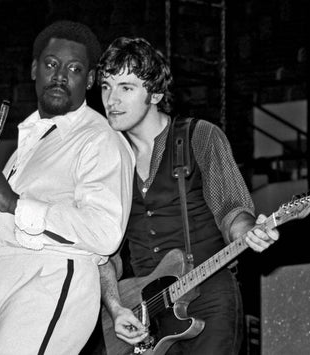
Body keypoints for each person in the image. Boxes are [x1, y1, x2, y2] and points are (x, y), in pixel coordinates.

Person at [0, 21, 135, 355]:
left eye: (74, 69)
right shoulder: (29, 144)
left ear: (89, 81)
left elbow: (105, 233)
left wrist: (17, 203)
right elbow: (2, 236)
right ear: (34, 69)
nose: (60, 75)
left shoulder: (100, 139)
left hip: (51, 281)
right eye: (51, 64)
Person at [97, 36, 280, 355]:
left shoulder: (200, 136)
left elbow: (232, 209)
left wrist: (248, 232)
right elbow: (103, 254)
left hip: (208, 299)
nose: (112, 99)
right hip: (146, 309)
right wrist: (115, 307)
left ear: (154, 93)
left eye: (126, 88)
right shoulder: (108, 160)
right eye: (106, 87)